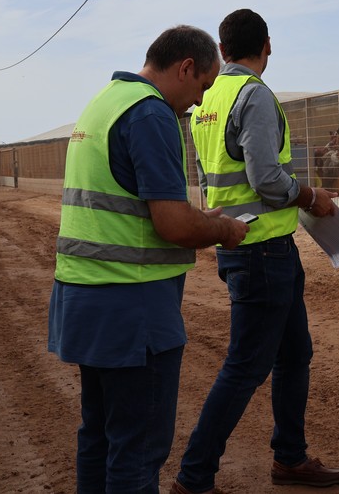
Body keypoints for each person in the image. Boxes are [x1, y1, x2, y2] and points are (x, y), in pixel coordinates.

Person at [47, 25, 250, 493]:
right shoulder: (150, 115)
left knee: (98, 438)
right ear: (185, 68)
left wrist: (192, 216)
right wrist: (221, 228)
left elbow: (134, 206)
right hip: (132, 309)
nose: (199, 102)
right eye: (202, 86)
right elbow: (173, 225)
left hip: (84, 302)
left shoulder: (105, 102)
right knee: (137, 453)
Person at [171, 9, 339, 494]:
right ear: (267, 45)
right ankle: (194, 476)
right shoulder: (255, 95)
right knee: (245, 366)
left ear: (222, 50)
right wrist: (311, 196)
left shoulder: (208, 100)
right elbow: (267, 179)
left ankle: (290, 457)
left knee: (294, 354)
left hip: (245, 245)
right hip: (262, 252)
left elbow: (214, 177)